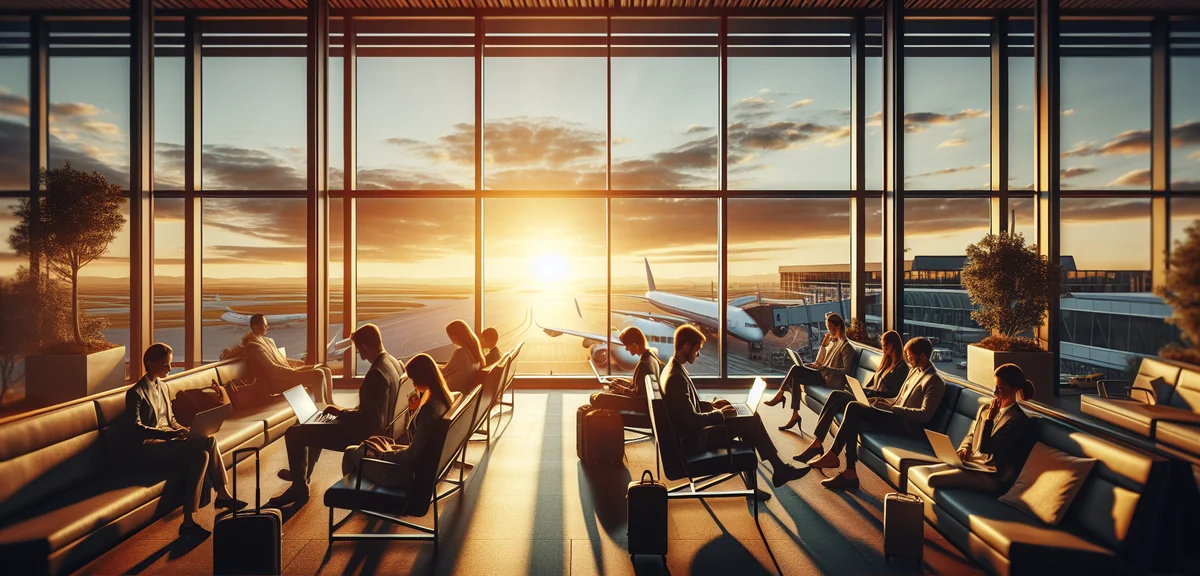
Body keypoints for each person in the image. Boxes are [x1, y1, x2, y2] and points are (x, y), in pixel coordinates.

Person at [661, 324, 809, 489]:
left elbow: (688, 407)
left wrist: (711, 405)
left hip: (696, 433)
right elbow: (692, 421)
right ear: (686, 346)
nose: (698, 353)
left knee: (750, 419)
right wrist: (720, 414)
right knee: (751, 421)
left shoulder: (673, 369)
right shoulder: (676, 379)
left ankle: (768, 477)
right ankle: (778, 471)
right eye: (697, 349)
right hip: (697, 439)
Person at [271, 323, 402, 505]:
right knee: (315, 420)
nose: (360, 355)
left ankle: (299, 487)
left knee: (295, 433)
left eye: (359, 350)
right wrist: (341, 413)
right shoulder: (394, 363)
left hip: (365, 435)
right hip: (377, 429)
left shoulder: (376, 374)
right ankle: (301, 474)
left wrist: (341, 413)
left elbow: (370, 422)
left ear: (364, 347)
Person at [127, 343, 246, 536]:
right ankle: (213, 502)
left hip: (169, 440)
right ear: (151, 362)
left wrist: (184, 429)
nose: (170, 369)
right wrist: (170, 435)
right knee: (203, 449)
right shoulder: (136, 393)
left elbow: (171, 420)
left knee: (205, 446)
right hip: (149, 448)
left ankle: (193, 517)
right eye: (166, 365)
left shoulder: (163, 387)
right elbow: (135, 429)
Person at [806, 337, 946, 491]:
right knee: (845, 402)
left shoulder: (934, 381)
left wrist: (892, 409)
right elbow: (899, 399)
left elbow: (925, 415)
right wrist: (881, 401)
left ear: (923, 356)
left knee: (853, 408)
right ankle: (847, 469)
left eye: (911, 357)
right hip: (893, 415)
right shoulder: (915, 371)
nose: (909, 360)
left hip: (904, 425)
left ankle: (844, 466)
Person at [917, 364, 1037, 494]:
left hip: (990, 475)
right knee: (920, 471)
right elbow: (972, 434)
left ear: (1014, 389)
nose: (995, 392)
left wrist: (990, 420)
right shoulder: (985, 409)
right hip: (973, 465)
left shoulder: (1017, 419)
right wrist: (964, 448)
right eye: (995, 386)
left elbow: (987, 447)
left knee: (932, 479)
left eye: (1000, 388)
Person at [793, 330, 909, 463]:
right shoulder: (885, 364)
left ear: (893, 346)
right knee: (835, 395)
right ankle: (817, 442)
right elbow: (872, 385)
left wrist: (872, 394)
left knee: (849, 406)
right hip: (868, 398)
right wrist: (862, 390)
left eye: (884, 345)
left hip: (878, 404)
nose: (883, 348)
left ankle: (824, 450)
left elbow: (895, 394)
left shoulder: (902, 368)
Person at [341, 353, 455, 488]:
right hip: (423, 466)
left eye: (415, 380)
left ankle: (356, 497)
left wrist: (383, 455)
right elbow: (420, 441)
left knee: (350, 452)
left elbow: (410, 456)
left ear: (423, 378)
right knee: (372, 443)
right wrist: (414, 411)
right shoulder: (443, 401)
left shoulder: (429, 410)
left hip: (406, 475)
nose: (413, 384)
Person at [764, 313, 856, 432]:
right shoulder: (834, 341)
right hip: (823, 375)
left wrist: (824, 368)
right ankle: (794, 414)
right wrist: (822, 347)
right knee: (796, 372)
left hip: (829, 380)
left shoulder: (846, 347)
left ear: (838, 327)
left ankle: (781, 395)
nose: (828, 330)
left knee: (796, 371)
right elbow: (819, 362)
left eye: (830, 327)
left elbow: (846, 371)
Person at [243, 313, 333, 405]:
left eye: (267, 325)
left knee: (326, 370)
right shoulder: (253, 346)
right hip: (276, 381)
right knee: (318, 374)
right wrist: (294, 373)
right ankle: (320, 406)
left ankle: (330, 403)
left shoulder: (268, 341)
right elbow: (272, 369)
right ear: (255, 326)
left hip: (286, 373)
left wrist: (300, 363)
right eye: (264, 325)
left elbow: (282, 360)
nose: (267, 327)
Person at [589, 326, 661, 412]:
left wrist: (621, 389)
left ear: (635, 345)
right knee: (600, 395)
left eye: (627, 346)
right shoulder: (650, 356)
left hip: (639, 405)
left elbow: (638, 397)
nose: (626, 349)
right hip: (643, 403)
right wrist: (622, 382)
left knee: (598, 398)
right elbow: (639, 387)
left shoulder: (643, 365)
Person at [443, 319, 485, 395]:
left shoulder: (461, 353)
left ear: (454, 337)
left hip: (453, 392)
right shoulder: (476, 353)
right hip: (463, 390)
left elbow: (443, 373)